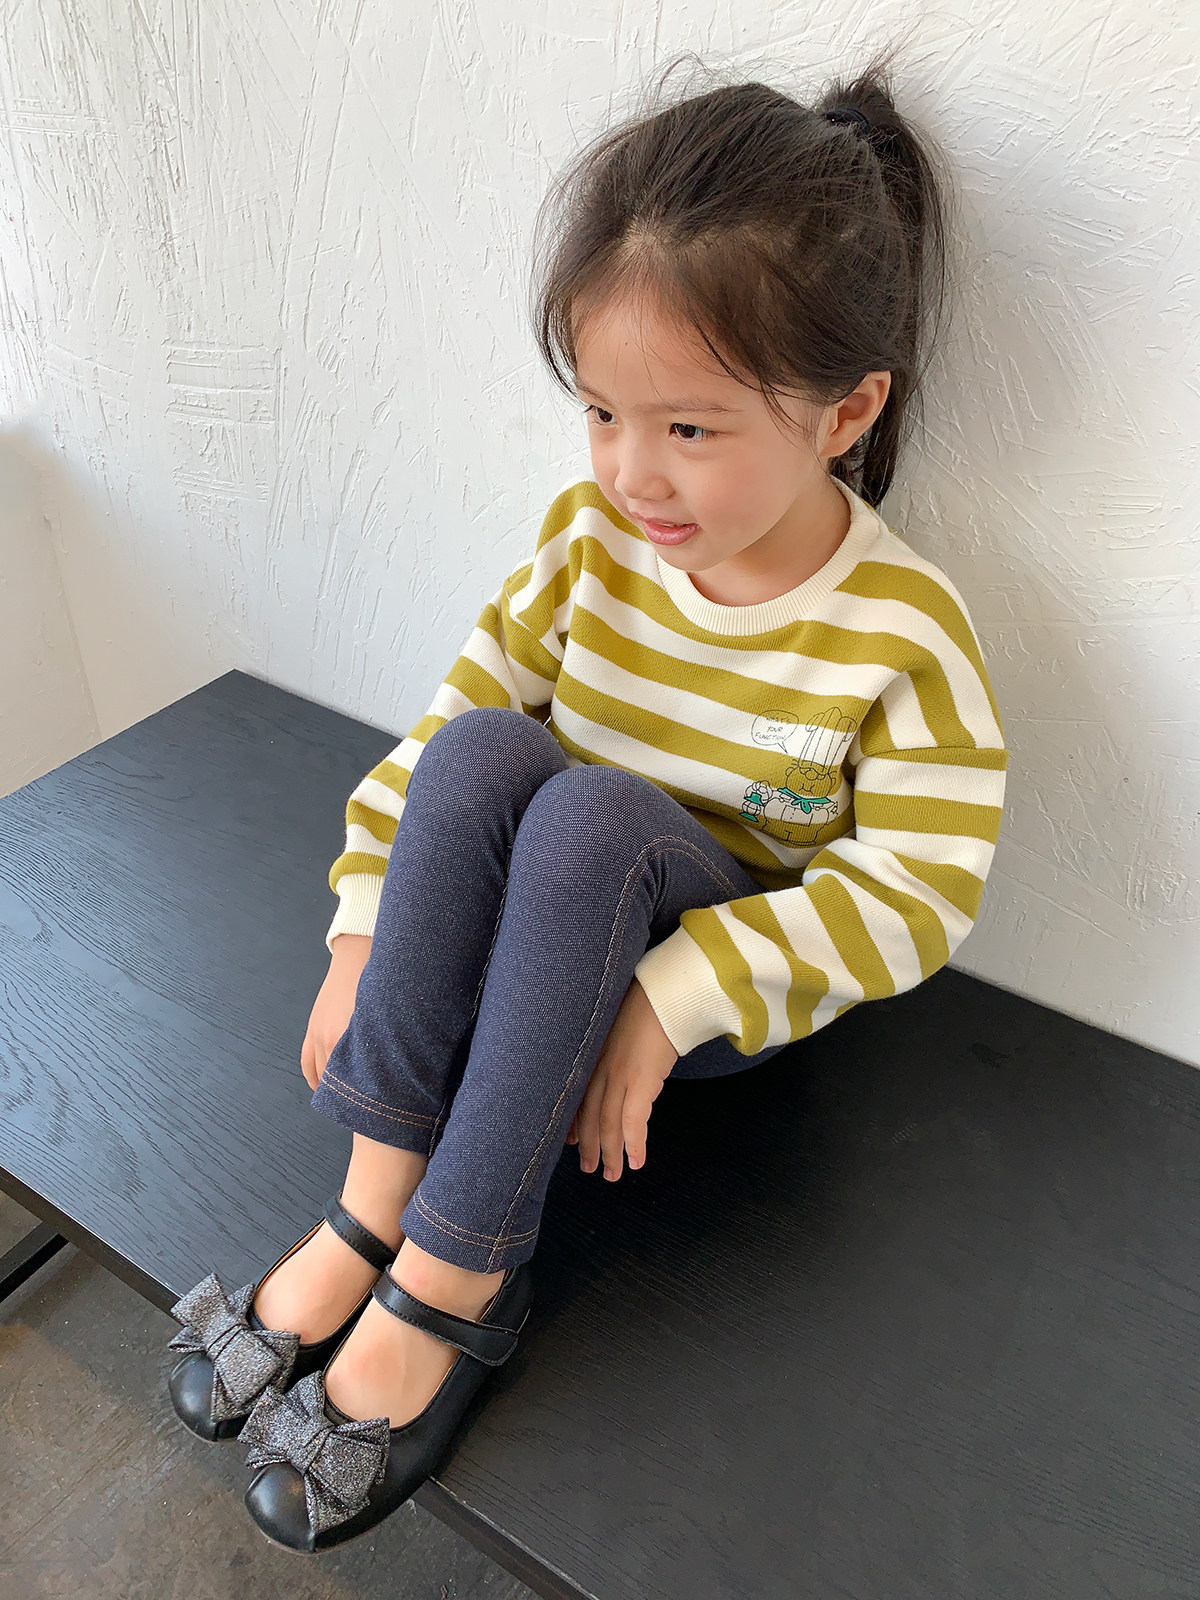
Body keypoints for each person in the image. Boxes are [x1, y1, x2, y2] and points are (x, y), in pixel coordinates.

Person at [165, 52, 1009, 1552]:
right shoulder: (590, 540)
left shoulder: (900, 631)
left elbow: (922, 889)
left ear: (846, 411)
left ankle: (456, 1284)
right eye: (604, 413)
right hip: (543, 954)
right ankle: (374, 1203)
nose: (632, 474)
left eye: (689, 429)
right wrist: (364, 928)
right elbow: (457, 723)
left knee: (594, 816)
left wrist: (675, 998)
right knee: (491, 757)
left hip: (695, 1010)